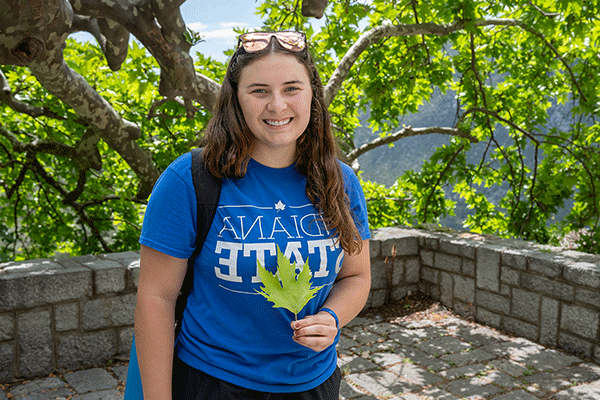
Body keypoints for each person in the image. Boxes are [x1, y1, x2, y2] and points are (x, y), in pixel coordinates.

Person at [134, 30, 371, 399]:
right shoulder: (189, 179)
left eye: (292, 88)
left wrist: (331, 317)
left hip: (315, 384)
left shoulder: (341, 181)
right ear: (236, 100)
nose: (277, 106)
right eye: (259, 91)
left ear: (313, 95)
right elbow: (156, 299)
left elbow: (355, 277)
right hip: (213, 383)